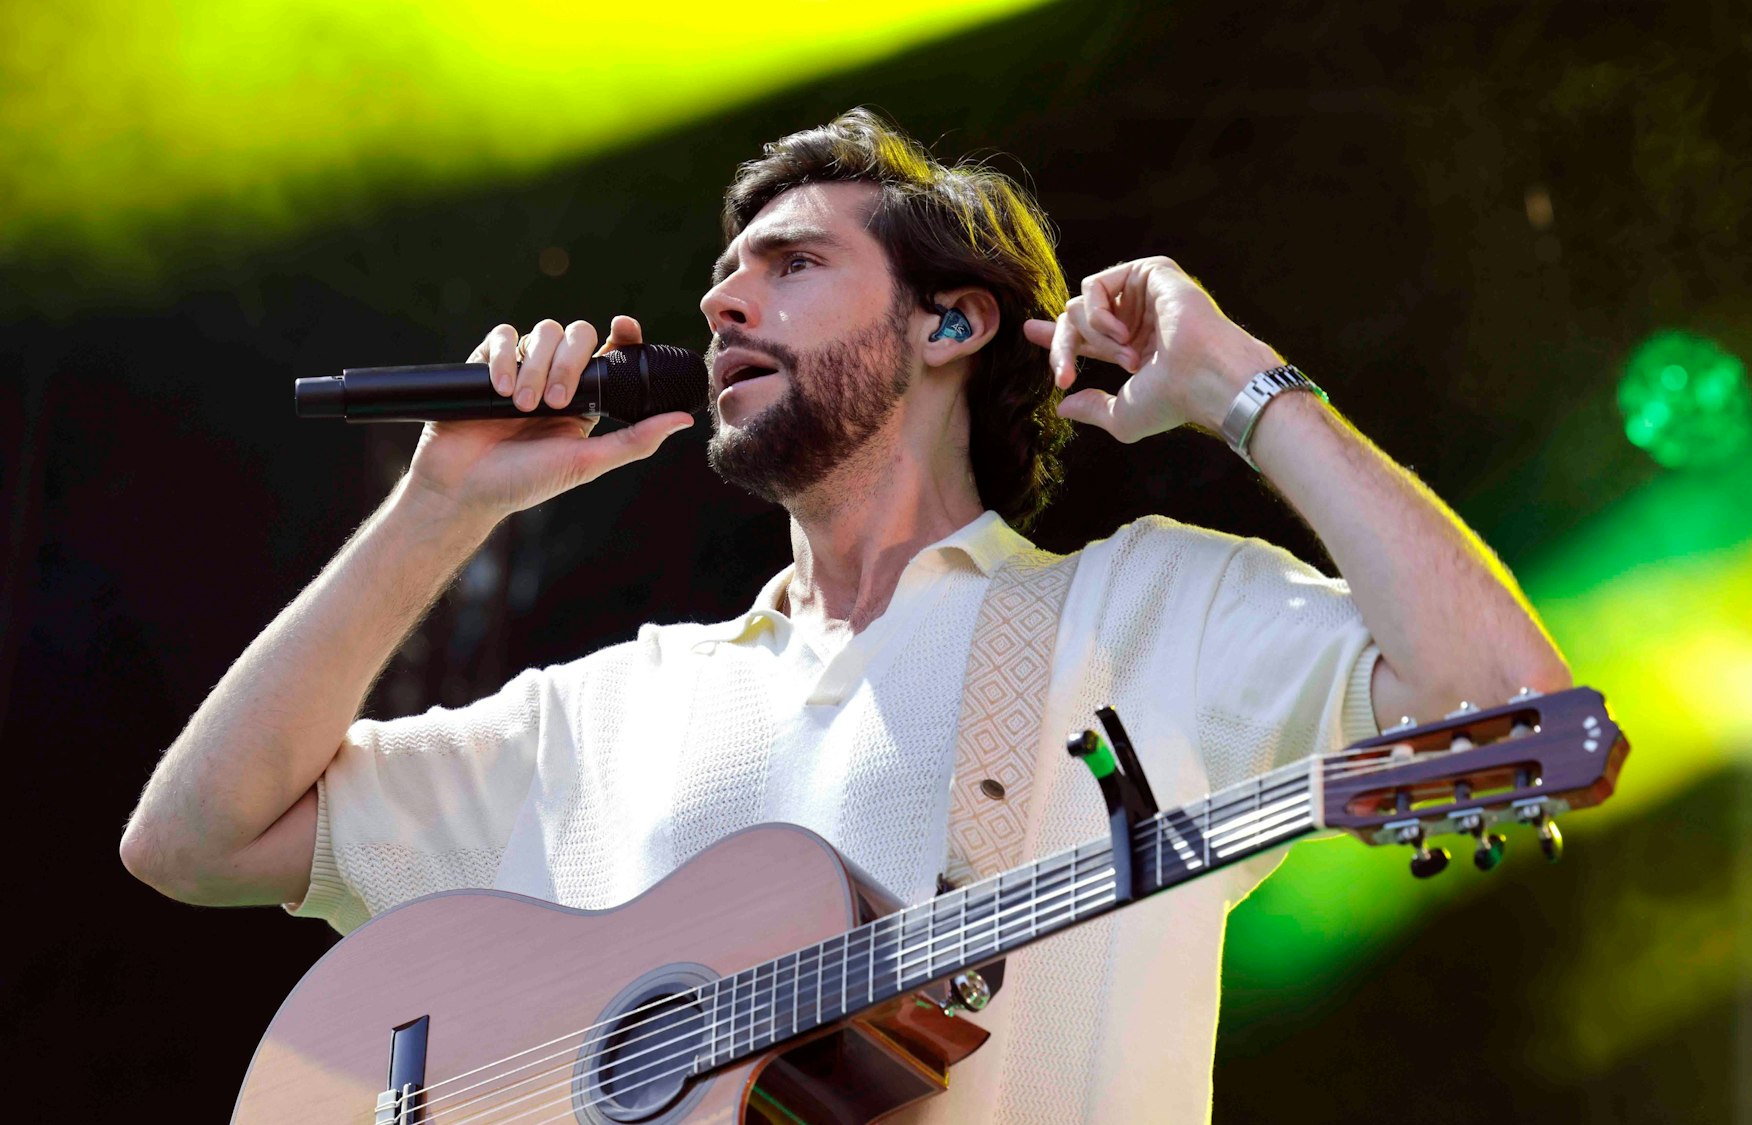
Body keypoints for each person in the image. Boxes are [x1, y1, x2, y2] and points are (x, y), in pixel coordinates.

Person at [120, 109, 1569, 1123]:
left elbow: (1512, 705)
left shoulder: (1149, 608)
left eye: (792, 263)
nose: (723, 300)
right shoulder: (616, 703)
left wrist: (1243, 384)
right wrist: (438, 508)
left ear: (953, 324)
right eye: (723, 273)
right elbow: (191, 839)